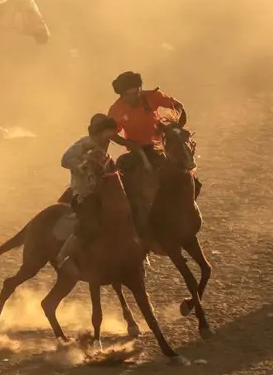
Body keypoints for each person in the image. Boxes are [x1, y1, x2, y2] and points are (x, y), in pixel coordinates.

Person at [106, 71, 189, 241]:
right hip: (136, 151)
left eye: (136, 92)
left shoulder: (153, 96)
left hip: (160, 146)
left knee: (183, 170)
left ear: (140, 88)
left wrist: (172, 124)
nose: (133, 97)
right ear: (121, 95)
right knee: (124, 182)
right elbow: (111, 133)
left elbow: (178, 105)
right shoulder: (116, 110)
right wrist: (129, 144)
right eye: (128, 95)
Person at [55, 114, 120, 270]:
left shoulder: (103, 146)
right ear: (100, 131)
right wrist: (83, 165)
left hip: (100, 190)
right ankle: (63, 256)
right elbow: (65, 159)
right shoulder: (85, 143)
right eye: (109, 131)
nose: (112, 135)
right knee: (88, 222)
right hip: (84, 191)